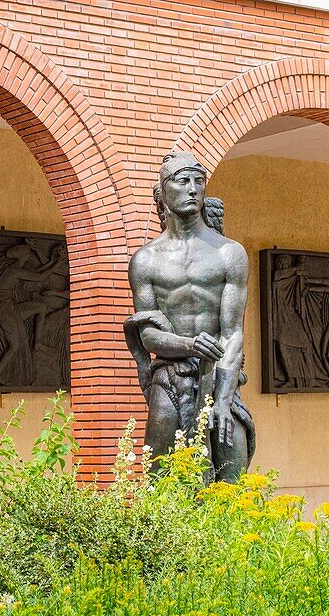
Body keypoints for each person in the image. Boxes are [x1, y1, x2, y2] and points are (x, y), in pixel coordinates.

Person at [124, 151, 255, 482]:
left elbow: (233, 333)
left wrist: (223, 402)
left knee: (231, 469)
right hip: (169, 378)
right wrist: (190, 345)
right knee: (160, 480)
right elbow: (149, 336)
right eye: (182, 181)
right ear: (163, 192)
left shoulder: (229, 253)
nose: (193, 189)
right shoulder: (146, 261)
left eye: (199, 181)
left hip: (220, 377)